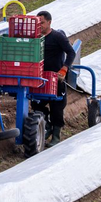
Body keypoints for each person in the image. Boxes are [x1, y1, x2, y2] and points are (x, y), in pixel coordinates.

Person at [32, 10, 76, 147]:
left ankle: (56, 136)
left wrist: (64, 68)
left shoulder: (57, 37)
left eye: (42, 23)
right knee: (36, 104)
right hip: (41, 78)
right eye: (38, 23)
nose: (40, 25)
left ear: (49, 22)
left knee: (57, 107)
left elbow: (71, 52)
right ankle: (47, 126)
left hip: (56, 78)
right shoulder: (36, 38)